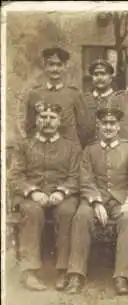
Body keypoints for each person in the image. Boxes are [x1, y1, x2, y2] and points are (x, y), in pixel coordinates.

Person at [65, 107, 128, 296]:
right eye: (105, 124)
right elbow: (85, 178)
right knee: (81, 215)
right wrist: (95, 202)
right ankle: (76, 274)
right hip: (97, 197)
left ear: (119, 126)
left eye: (112, 124)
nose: (108, 127)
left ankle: (122, 276)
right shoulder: (90, 149)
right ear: (99, 126)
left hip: (122, 199)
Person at [9, 103, 81, 291]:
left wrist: (62, 191)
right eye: (43, 117)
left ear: (59, 121)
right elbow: (15, 176)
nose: (47, 121)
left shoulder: (71, 147)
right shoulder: (24, 145)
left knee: (67, 212)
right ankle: (30, 271)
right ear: (36, 120)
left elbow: (76, 176)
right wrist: (33, 191)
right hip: (32, 197)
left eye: (52, 118)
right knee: (32, 212)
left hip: (62, 195)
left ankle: (62, 270)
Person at [22, 46, 92, 147]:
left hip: (68, 149)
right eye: (51, 64)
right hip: (43, 148)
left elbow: (84, 126)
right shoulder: (35, 94)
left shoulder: (74, 94)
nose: (55, 69)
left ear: (65, 66)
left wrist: (74, 147)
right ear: (45, 66)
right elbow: (29, 127)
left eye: (59, 65)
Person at [83, 59, 116, 142]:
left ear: (110, 78)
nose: (99, 77)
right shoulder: (84, 99)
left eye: (103, 74)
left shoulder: (117, 99)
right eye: (96, 74)